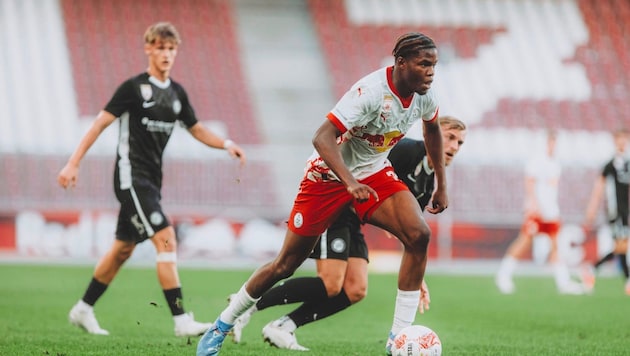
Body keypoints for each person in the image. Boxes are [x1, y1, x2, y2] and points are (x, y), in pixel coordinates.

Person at [197, 32, 447, 356]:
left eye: (434, 65)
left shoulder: (425, 96)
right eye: (424, 64)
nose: (430, 71)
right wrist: (349, 182)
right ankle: (222, 324)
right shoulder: (370, 92)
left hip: (373, 172)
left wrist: (441, 183)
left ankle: (397, 339)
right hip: (327, 177)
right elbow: (322, 137)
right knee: (285, 264)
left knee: (419, 236)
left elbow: (432, 130)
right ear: (401, 63)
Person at [57, 22, 246, 337]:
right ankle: (181, 320)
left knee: (122, 250)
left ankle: (83, 309)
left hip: (152, 183)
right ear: (148, 49)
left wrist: (226, 144)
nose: (166, 54)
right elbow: (99, 124)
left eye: (171, 49)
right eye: (160, 48)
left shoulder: (176, 93)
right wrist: (72, 163)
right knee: (166, 236)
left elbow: (196, 128)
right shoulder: (132, 89)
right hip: (131, 178)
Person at [227, 116, 466, 351]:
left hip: (355, 218)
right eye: (450, 137)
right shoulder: (405, 150)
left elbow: (411, 234)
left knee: (355, 289)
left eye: (460, 143)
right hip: (336, 206)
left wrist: (416, 277)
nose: (454, 147)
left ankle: (283, 326)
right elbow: (361, 167)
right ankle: (247, 306)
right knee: (331, 283)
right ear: (431, 135)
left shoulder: (428, 179)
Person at [495, 129, 584, 295]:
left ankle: (563, 283)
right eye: (551, 141)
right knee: (524, 242)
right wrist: (533, 204)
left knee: (555, 245)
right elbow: (529, 182)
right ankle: (503, 276)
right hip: (537, 211)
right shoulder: (537, 161)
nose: (553, 145)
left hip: (551, 212)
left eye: (555, 142)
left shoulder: (555, 163)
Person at [581, 128, 630, 295]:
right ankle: (626, 280)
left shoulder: (627, 164)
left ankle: (592, 270)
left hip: (626, 212)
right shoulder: (610, 165)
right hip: (615, 211)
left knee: (621, 246)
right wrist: (591, 209)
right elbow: (598, 188)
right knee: (622, 245)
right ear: (615, 141)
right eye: (619, 139)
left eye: (625, 139)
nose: (622, 142)